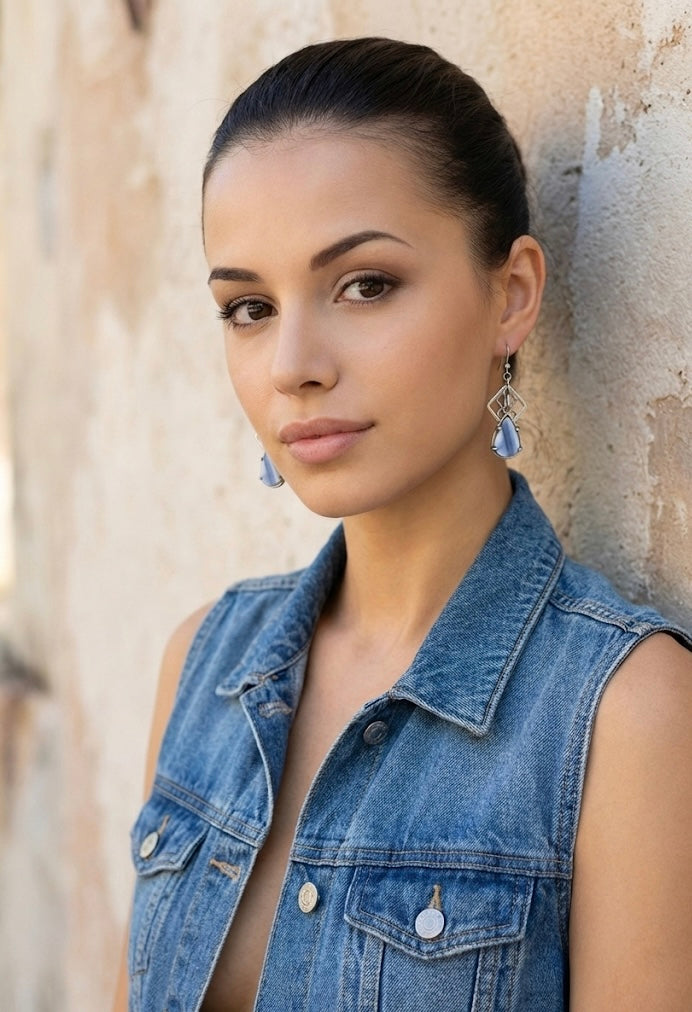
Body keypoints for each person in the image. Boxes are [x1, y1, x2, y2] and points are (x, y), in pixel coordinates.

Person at [113, 37, 692, 1012]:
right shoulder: (202, 663)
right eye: (248, 306)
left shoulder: (624, 714)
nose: (293, 362)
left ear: (509, 295)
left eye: (364, 285)